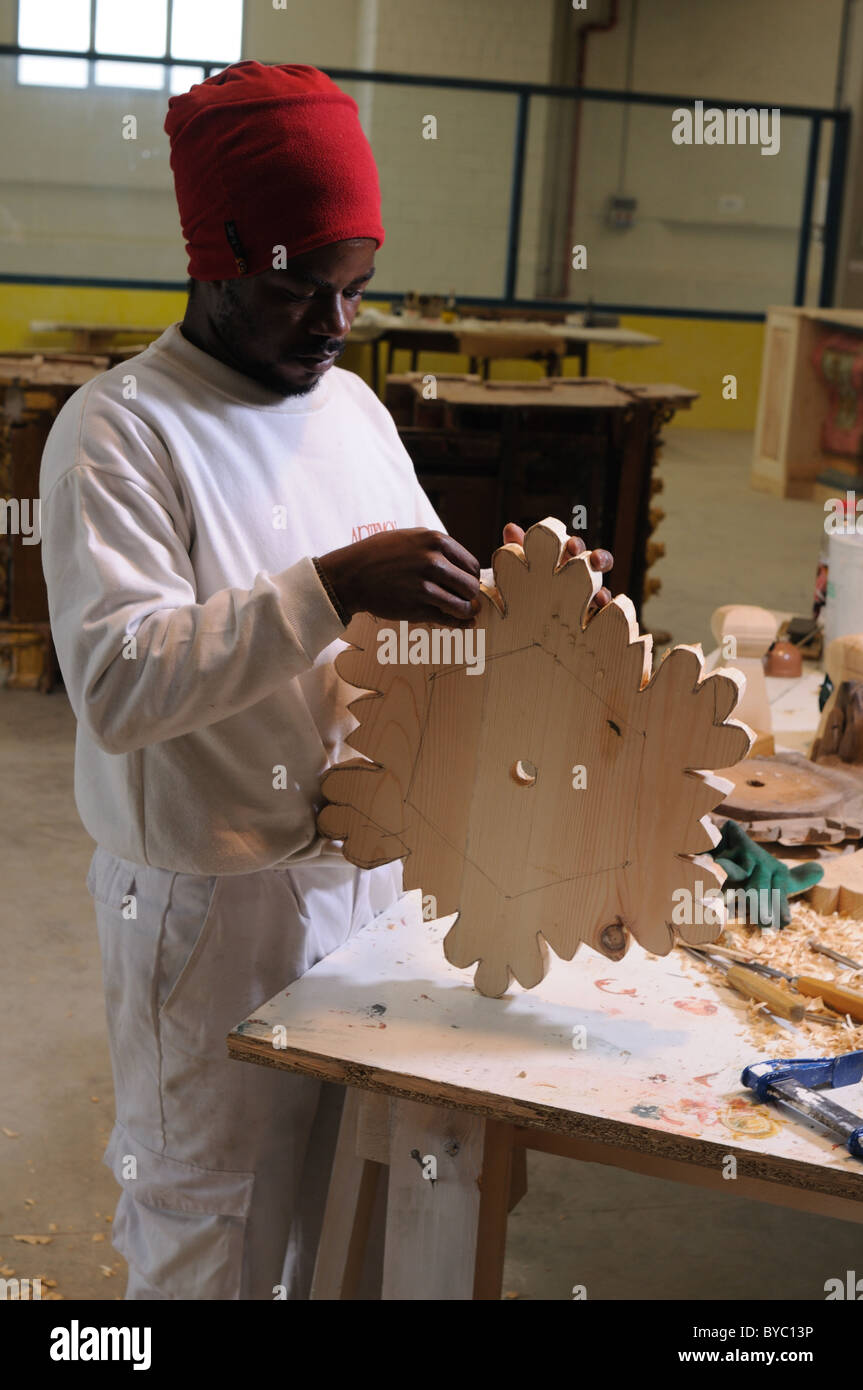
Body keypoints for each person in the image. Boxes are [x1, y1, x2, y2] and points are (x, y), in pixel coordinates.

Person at [39, 61, 612, 1300]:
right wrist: (332, 584)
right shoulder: (122, 428)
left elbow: (413, 636)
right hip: (209, 904)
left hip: (367, 872)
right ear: (219, 258)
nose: (337, 323)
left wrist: (524, 610)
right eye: (305, 287)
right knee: (209, 1220)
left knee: (341, 1210)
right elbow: (119, 684)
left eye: (357, 289)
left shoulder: (349, 407)